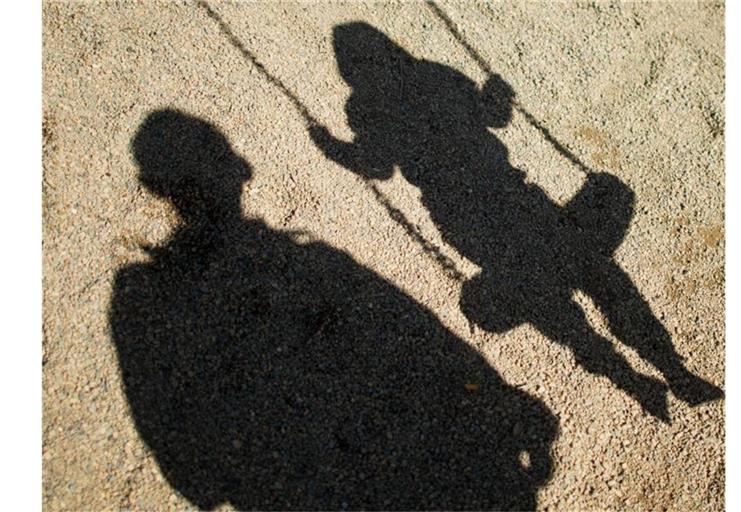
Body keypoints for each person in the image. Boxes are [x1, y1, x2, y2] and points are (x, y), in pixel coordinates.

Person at [110, 109, 557, 510]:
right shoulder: (313, 261)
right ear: (241, 170)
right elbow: (426, 330)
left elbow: (194, 477)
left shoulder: (142, 300)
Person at [309, 22, 722, 421]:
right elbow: (496, 117)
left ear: (352, 68)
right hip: (519, 199)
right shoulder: (439, 74)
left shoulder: (364, 106)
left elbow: (379, 168)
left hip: (466, 219)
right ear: (389, 47)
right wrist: (497, 94)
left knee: (551, 299)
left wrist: (334, 149)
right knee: (597, 273)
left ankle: (631, 377)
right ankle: (674, 371)